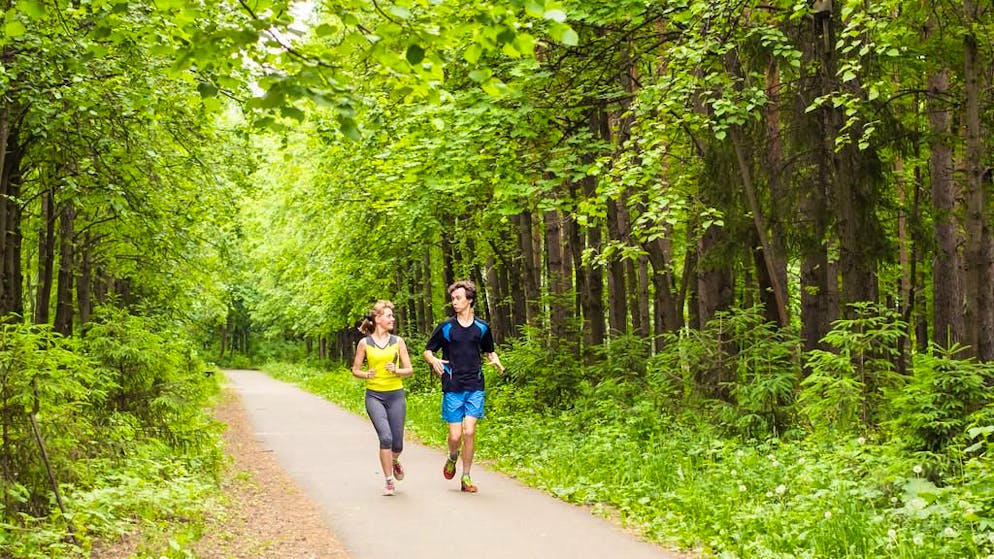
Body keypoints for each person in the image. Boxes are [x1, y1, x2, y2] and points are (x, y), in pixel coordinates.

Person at [423, 280, 504, 493]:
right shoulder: (446, 327)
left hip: (475, 384)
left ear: (470, 300)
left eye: (458, 298)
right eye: (453, 298)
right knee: (455, 436)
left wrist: (495, 359)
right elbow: (428, 350)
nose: (454, 302)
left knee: (469, 432)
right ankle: (452, 456)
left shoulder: (482, 327)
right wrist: (434, 361)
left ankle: (466, 476)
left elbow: (489, 350)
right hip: (452, 385)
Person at [352, 300, 414, 496]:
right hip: (374, 396)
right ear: (378, 319)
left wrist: (397, 370)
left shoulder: (398, 341)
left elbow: (409, 369)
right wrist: (365, 374)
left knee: (397, 444)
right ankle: (388, 482)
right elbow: (355, 370)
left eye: (392, 316)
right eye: (388, 316)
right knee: (385, 438)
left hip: (396, 395)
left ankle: (394, 460)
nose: (392, 319)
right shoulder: (365, 343)